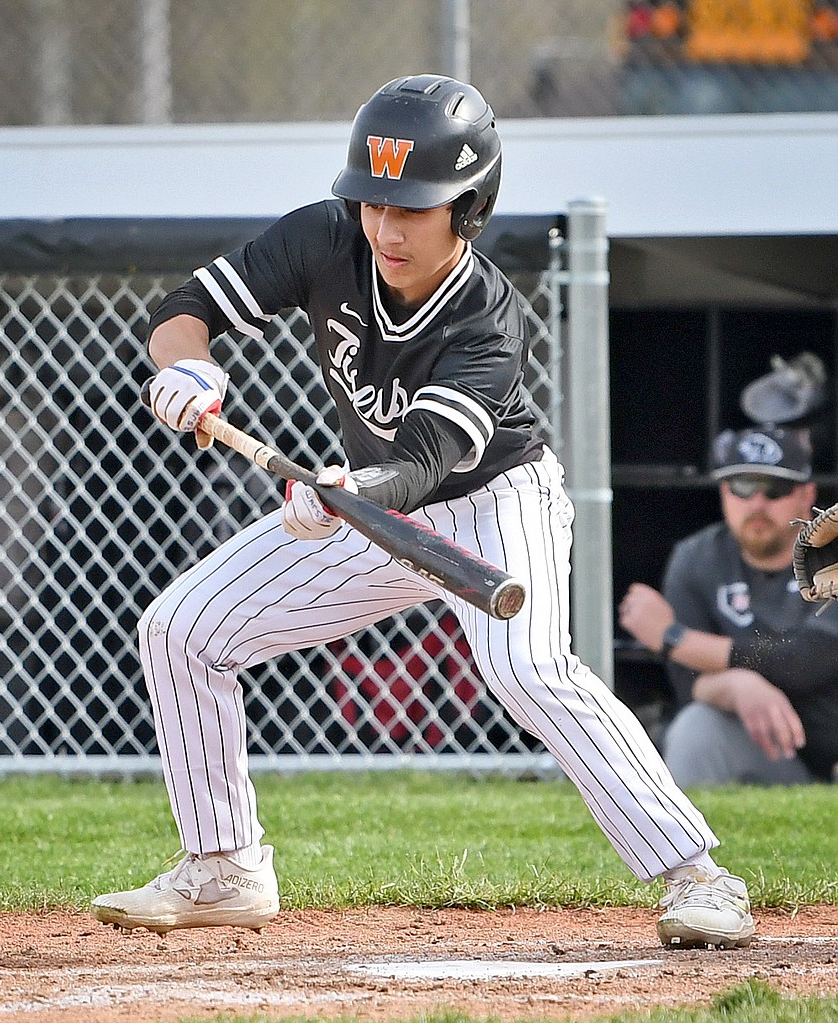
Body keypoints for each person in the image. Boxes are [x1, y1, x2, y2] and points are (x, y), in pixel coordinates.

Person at [92, 74, 754, 949]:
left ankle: (699, 879)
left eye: (414, 209)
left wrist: (345, 495)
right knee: (182, 627)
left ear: (470, 209)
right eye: (372, 201)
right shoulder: (326, 236)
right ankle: (223, 868)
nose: (384, 228)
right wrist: (189, 370)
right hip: (362, 509)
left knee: (528, 668)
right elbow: (187, 311)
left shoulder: (490, 320)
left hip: (490, 507)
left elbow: (425, 462)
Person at [619, 425, 838, 786]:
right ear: (723, 493)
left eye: (775, 489)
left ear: (806, 494)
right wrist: (738, 684)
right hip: (778, 753)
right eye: (742, 487)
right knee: (697, 728)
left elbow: (810, 659)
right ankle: (682, 841)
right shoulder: (696, 559)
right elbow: (688, 685)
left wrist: (675, 638)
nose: (756, 504)